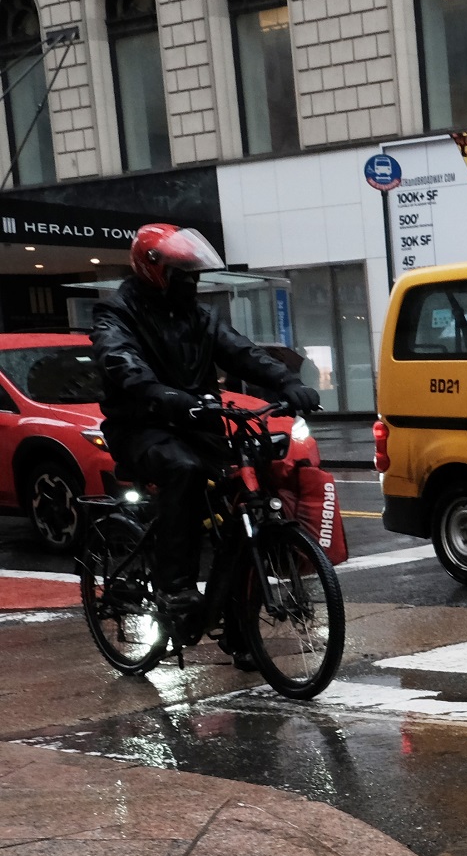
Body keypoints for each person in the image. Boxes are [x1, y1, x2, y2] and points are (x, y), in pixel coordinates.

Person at [91, 223, 321, 636]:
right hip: (141, 426)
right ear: (154, 270)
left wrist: (287, 382)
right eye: (185, 275)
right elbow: (120, 361)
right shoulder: (117, 313)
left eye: (195, 275)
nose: (193, 283)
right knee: (184, 469)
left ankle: (238, 624)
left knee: (248, 481)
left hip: (197, 421)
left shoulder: (199, 317)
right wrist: (166, 396)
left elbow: (240, 352)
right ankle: (175, 586)